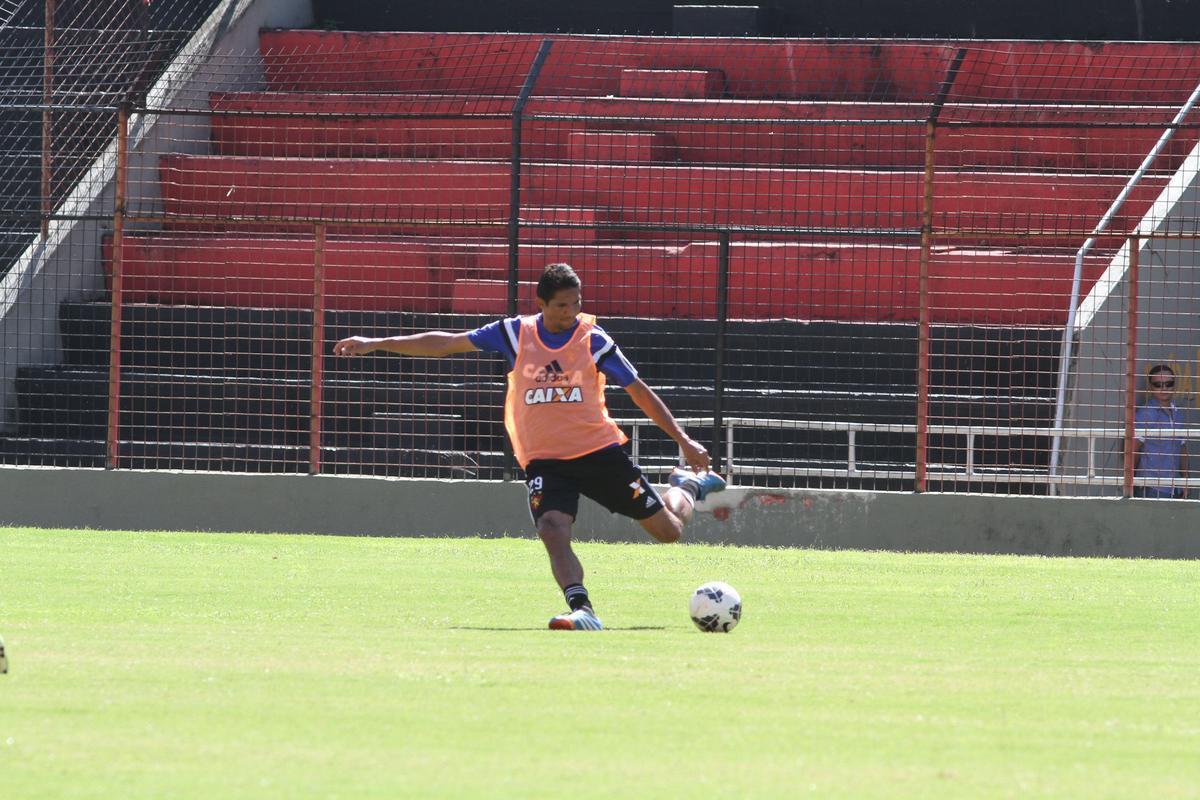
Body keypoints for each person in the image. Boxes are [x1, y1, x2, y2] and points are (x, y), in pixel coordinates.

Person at [333, 262, 726, 630]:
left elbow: (637, 390)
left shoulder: (594, 340)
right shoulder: (515, 332)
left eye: (576, 303)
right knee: (552, 528)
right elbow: (448, 343)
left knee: (668, 532)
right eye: (561, 305)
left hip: (599, 454)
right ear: (540, 304)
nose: (570, 311)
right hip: (545, 461)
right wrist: (375, 342)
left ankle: (687, 486)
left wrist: (684, 441)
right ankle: (582, 610)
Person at [1133, 363, 1189, 499]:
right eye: (1158, 385)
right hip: (1151, 486)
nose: (1164, 388)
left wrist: (1186, 480)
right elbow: (1132, 450)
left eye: (1168, 384)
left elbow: (1182, 448)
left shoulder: (1177, 413)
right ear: (1151, 387)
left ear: (1174, 385)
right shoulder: (1145, 414)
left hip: (1174, 487)